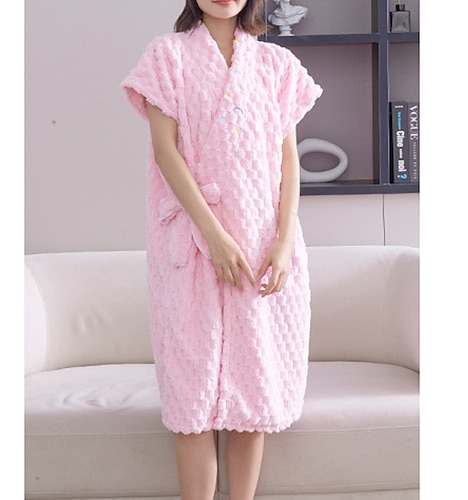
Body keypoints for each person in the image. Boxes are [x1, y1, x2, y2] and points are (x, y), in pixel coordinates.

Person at [121, 1, 322, 499]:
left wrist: (283, 243)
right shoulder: (167, 56)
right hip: (192, 246)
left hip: (260, 246)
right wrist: (213, 236)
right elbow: (166, 152)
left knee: (252, 394)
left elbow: (288, 161)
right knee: (191, 401)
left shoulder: (276, 65)